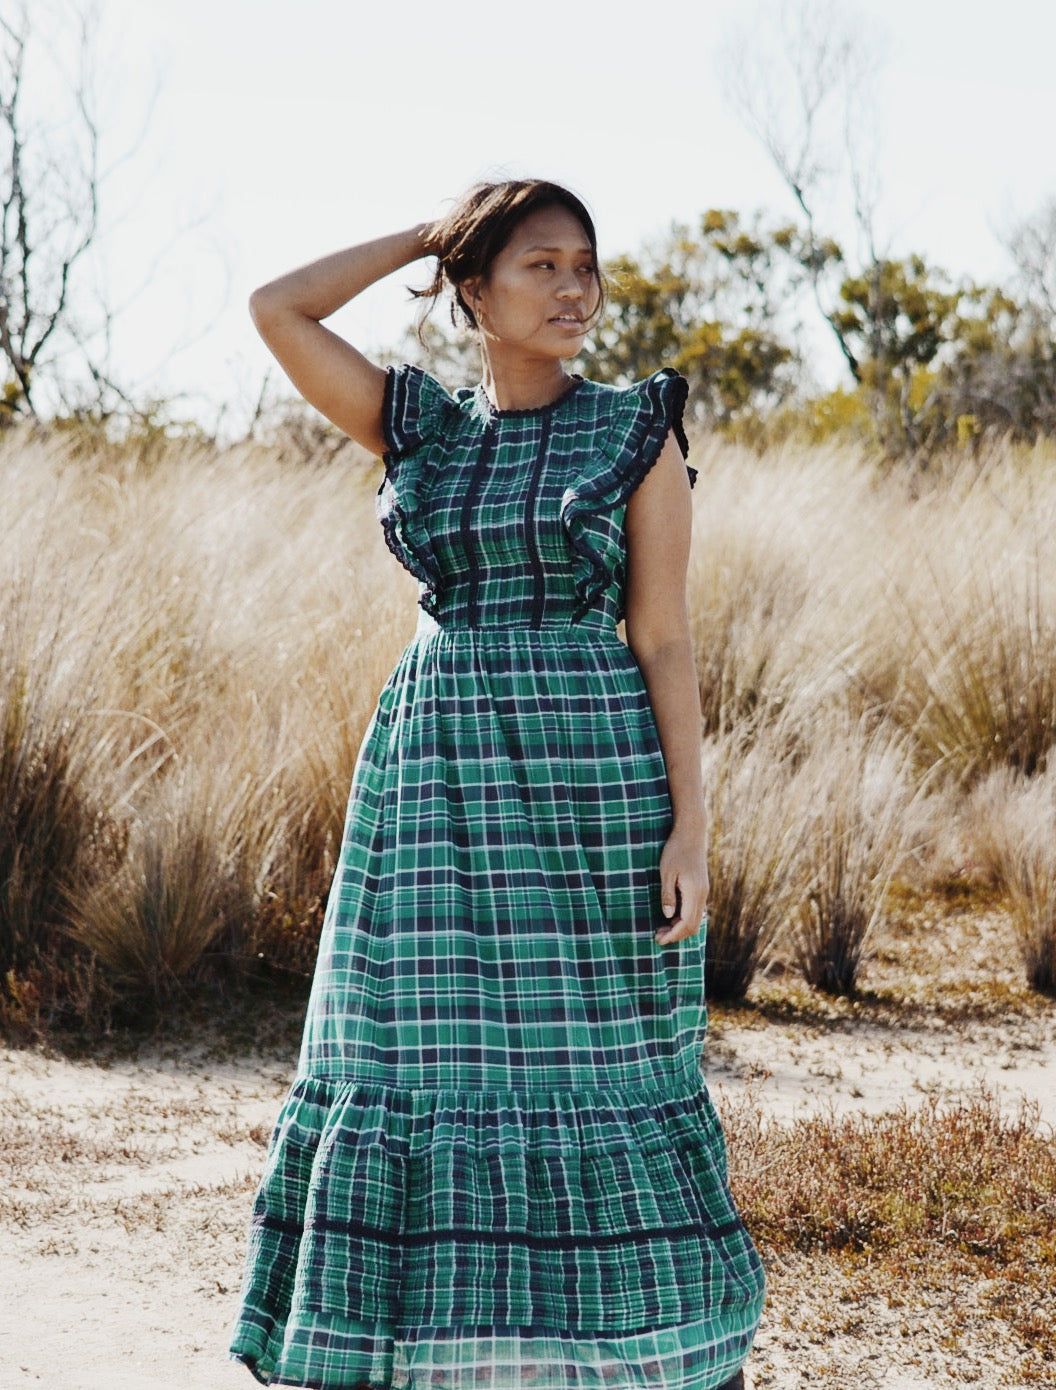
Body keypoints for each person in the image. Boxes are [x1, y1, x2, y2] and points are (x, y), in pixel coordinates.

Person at [228, 178, 765, 1390]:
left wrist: (692, 827)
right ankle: (429, 1357)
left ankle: (649, 1356)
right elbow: (277, 309)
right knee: (408, 1053)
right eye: (540, 266)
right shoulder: (422, 427)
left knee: (601, 1061)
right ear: (475, 292)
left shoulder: (636, 429)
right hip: (432, 794)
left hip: (592, 786)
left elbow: (666, 638)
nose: (575, 287)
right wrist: (428, 234)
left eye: (586, 264)